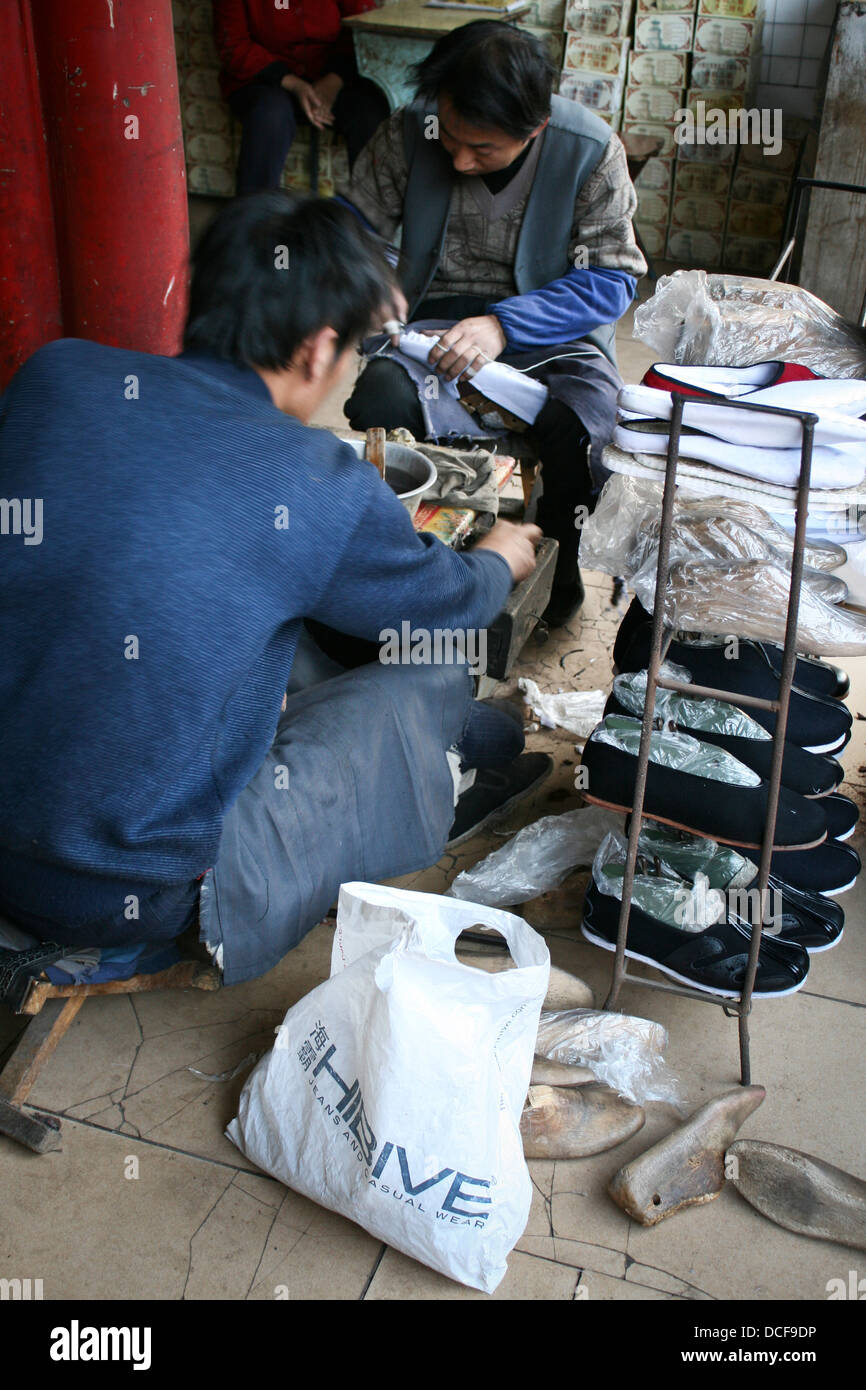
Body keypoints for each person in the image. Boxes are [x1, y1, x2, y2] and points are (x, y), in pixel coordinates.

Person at [0, 193, 546, 988]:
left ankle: (458, 745)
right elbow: (451, 604)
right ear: (319, 348)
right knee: (427, 670)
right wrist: (499, 558)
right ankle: (446, 762)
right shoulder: (312, 479)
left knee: (244, 616)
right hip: (120, 893)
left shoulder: (56, 375)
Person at [338, 20, 647, 627]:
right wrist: (367, 284)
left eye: (482, 149)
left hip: (551, 332)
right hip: (429, 323)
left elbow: (612, 278)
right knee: (382, 397)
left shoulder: (589, 150)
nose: (457, 158)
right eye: (450, 136)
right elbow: (353, 224)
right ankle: (414, 574)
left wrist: (503, 325)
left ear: (535, 129)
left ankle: (553, 581)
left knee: (589, 425)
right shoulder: (411, 130)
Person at [213, 0, 391, 194]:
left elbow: (363, 27)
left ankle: (368, 218)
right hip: (264, 79)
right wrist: (292, 83)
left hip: (332, 75)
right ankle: (254, 216)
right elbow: (232, 44)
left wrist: (334, 79)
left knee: (369, 111)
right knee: (270, 115)